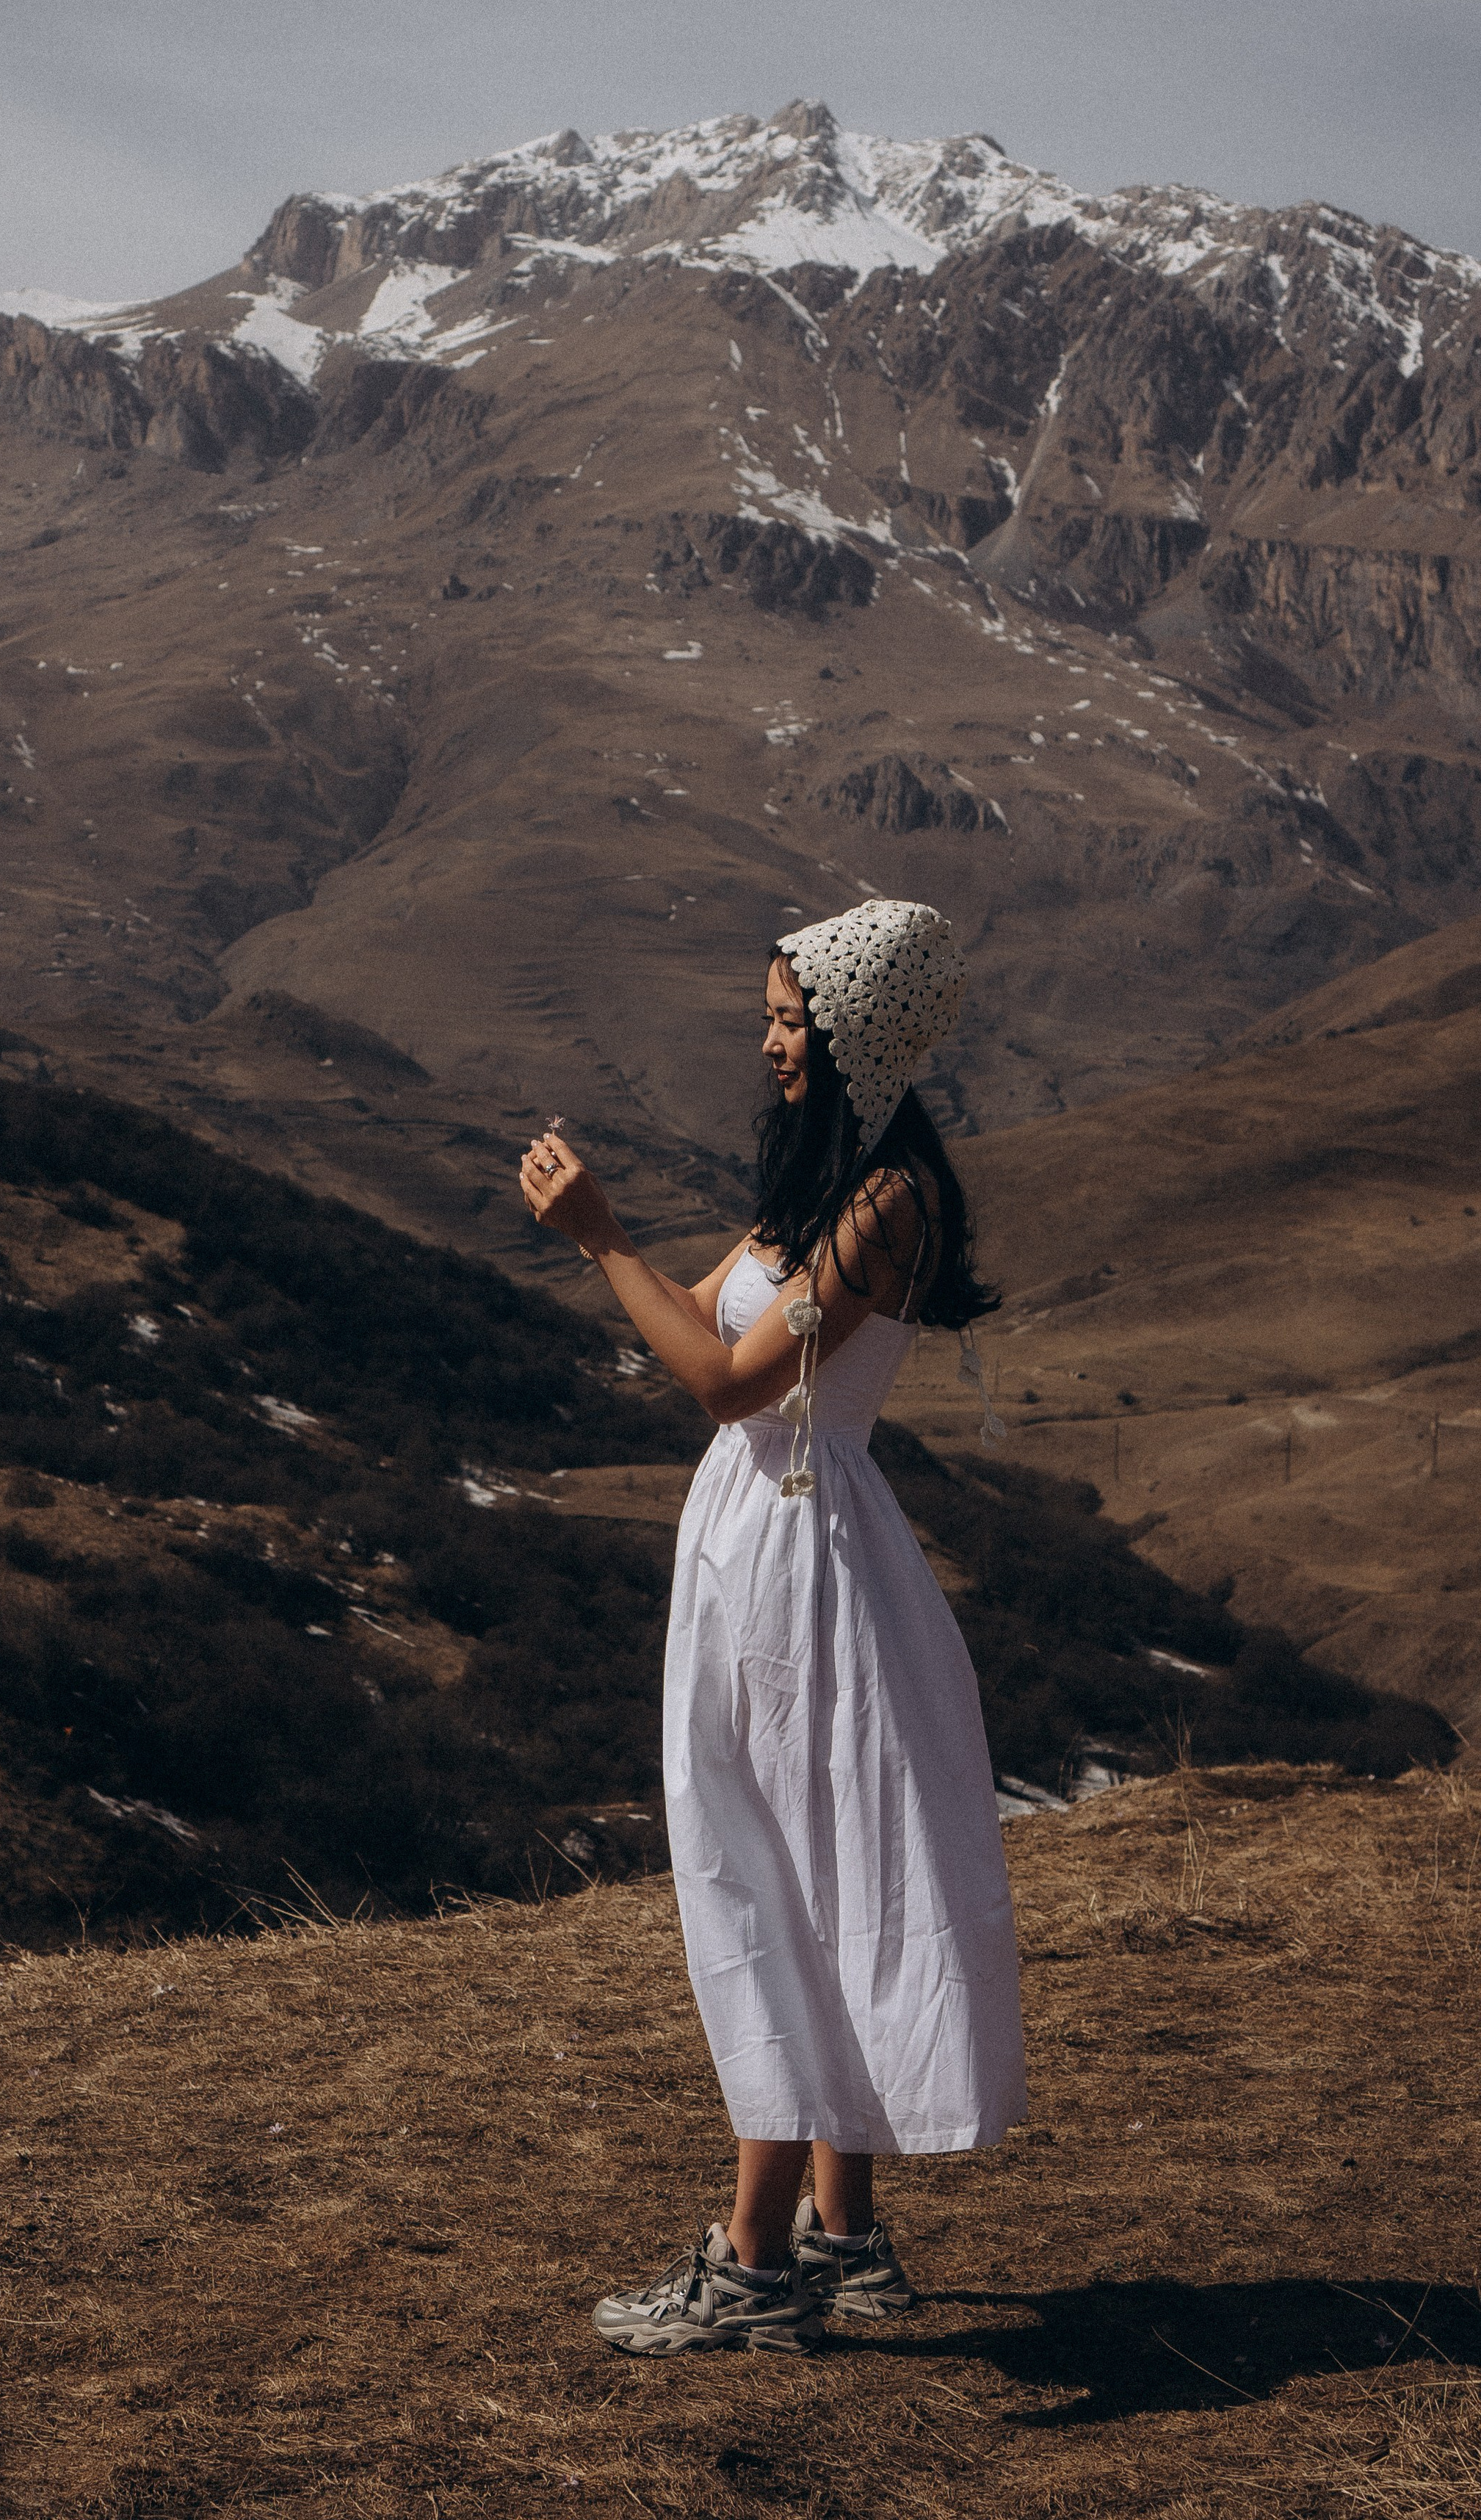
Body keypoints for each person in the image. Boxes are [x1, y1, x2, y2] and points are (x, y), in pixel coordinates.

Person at [518, 899, 1026, 2356]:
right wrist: (617, 1257)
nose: (767, 1043)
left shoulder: (883, 1206)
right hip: (760, 1549)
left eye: (790, 1021)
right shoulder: (824, 1189)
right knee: (794, 1868)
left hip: (802, 1560)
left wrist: (595, 1237)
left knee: (774, 1877)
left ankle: (749, 2263)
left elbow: (732, 1385)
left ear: (854, 1034)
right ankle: (841, 2234)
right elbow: (705, 1318)